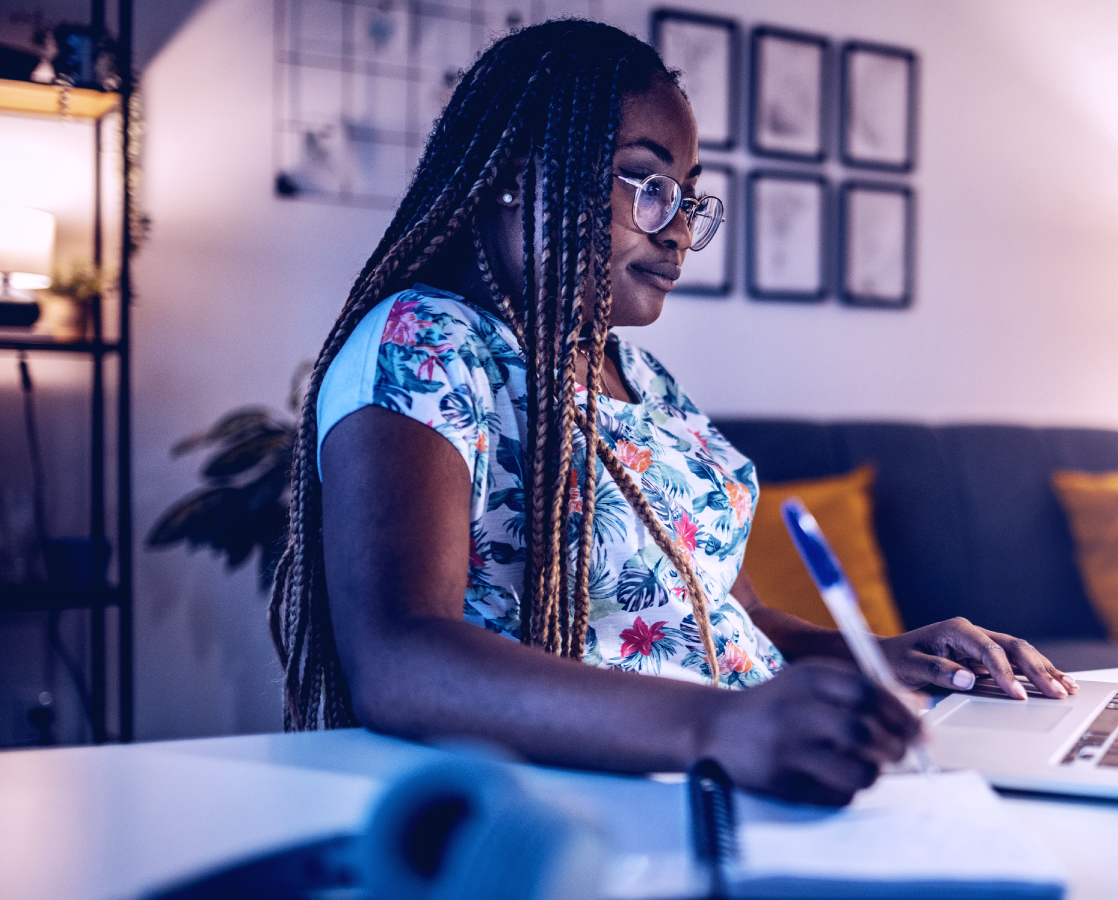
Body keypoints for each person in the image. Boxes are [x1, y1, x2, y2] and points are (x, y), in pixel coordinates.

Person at [271, 19, 1077, 806]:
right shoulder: (426, 341)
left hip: (735, 779)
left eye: (689, 197)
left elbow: (735, 614)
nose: (680, 230)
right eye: (649, 185)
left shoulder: (644, 381)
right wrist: (717, 727)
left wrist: (887, 657)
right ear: (518, 171)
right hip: (598, 800)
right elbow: (400, 658)